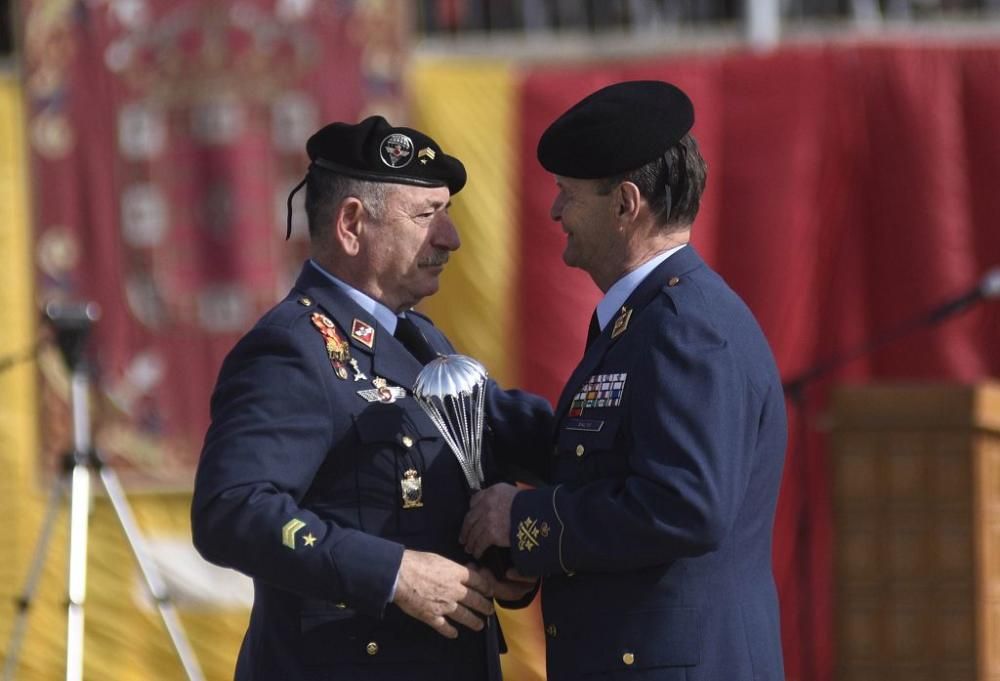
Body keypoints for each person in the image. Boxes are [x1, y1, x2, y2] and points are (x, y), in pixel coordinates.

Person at [191, 115, 549, 681]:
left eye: (448, 213)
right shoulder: (292, 347)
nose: (450, 237)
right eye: (428, 215)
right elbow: (231, 510)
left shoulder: (421, 338)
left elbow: (489, 443)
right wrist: (395, 574)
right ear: (352, 223)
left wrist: (508, 550)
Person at [460, 81, 788, 680]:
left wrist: (527, 519)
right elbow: (598, 460)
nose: (556, 212)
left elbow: (687, 505)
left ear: (624, 204)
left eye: (567, 195)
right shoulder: (648, 318)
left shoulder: (685, 328)